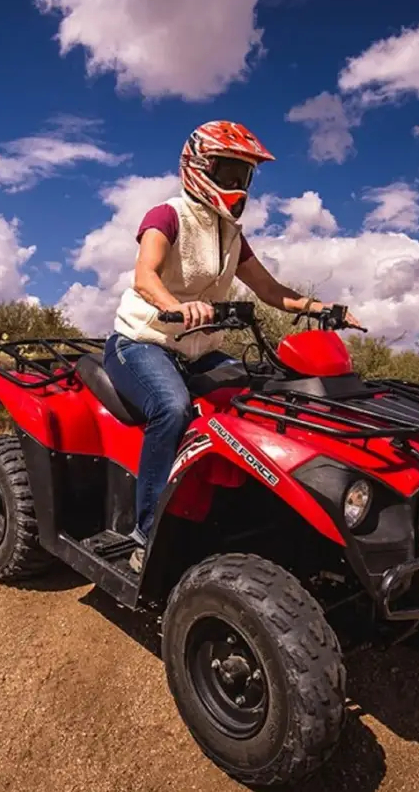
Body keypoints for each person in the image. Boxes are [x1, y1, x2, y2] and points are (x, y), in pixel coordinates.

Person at [102, 120, 362, 572]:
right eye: (227, 173)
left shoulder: (230, 234)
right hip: (143, 342)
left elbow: (267, 288)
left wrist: (321, 307)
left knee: (264, 395)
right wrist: (175, 307)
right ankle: (145, 533)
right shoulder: (166, 215)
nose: (236, 186)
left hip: (196, 351)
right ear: (199, 167)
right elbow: (145, 275)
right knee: (172, 408)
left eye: (243, 177)